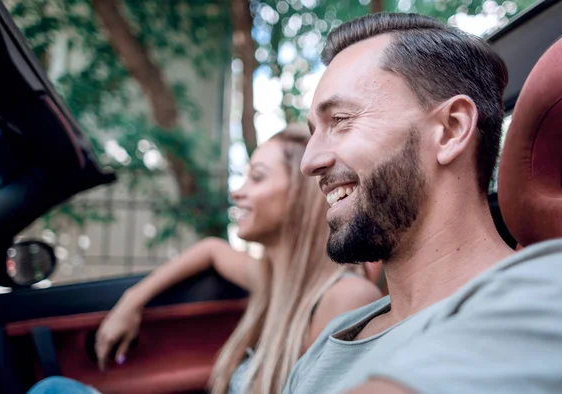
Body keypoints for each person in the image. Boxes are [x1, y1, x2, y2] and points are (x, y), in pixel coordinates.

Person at [283, 13, 562, 394]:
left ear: (450, 130)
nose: (309, 162)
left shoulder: (546, 291)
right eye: (314, 133)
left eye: (342, 120)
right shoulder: (328, 342)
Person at [28, 125, 382, 394]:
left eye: (256, 177)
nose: (237, 191)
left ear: (300, 196)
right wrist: (132, 300)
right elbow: (210, 250)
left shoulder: (344, 297)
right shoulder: (272, 278)